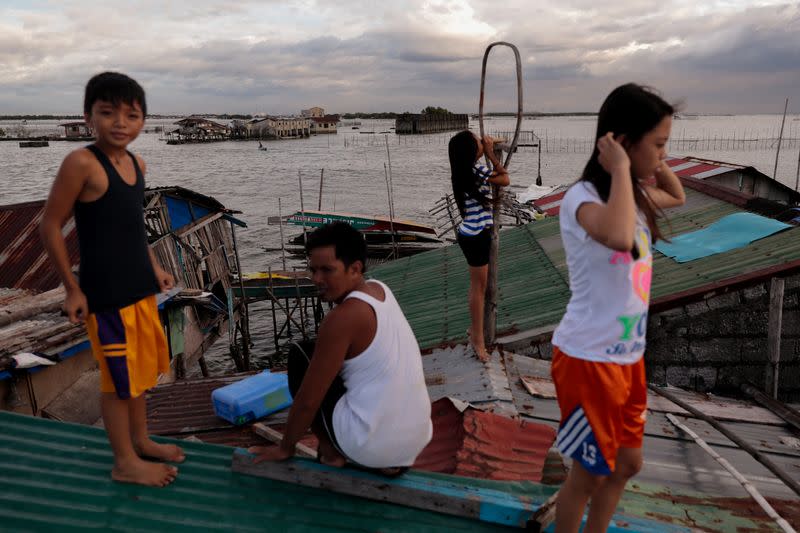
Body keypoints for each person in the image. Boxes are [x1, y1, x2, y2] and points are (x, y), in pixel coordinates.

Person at [550, 83, 686, 532]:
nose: (663, 155)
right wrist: (625, 169)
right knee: (587, 474)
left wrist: (651, 163)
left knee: (627, 463)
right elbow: (617, 236)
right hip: (588, 360)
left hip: (627, 359)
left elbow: (678, 196)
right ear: (624, 143)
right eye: (660, 143)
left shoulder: (632, 199)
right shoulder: (583, 199)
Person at [40, 72, 183, 487]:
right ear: (88, 117)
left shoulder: (138, 164)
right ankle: (124, 461)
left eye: (131, 115)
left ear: (143, 121)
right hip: (106, 295)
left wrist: (153, 266)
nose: (120, 122)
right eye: (107, 113)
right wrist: (72, 288)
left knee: (138, 373)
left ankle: (141, 440)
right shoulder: (81, 162)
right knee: (118, 380)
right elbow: (50, 224)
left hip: (140, 289)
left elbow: (132, 226)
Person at [248, 222, 432, 474]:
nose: (316, 279)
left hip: (373, 450)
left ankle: (332, 453)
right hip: (411, 445)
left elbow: (307, 400)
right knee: (323, 356)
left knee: (301, 355)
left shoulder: (341, 319)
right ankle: (352, 446)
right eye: (313, 270)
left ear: (355, 269)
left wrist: (285, 447)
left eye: (327, 270)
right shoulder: (381, 290)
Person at [448, 131, 510, 361]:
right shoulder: (476, 171)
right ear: (472, 150)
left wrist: (487, 150)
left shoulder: (464, 172)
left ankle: (475, 332)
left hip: (472, 234)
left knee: (478, 288)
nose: (482, 140)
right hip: (476, 236)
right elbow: (505, 178)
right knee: (478, 289)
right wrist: (493, 154)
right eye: (478, 140)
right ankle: (477, 339)